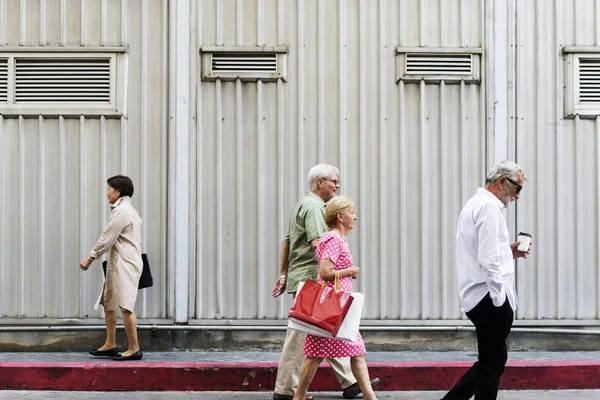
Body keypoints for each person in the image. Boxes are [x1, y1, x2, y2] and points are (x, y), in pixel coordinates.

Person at [272, 164, 378, 400]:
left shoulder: (301, 204)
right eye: (333, 181)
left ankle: (350, 383)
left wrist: (283, 275)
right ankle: (286, 391)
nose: (337, 185)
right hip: (315, 282)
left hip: (307, 279)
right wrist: (343, 266)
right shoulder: (314, 208)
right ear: (320, 182)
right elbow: (320, 244)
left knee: (327, 336)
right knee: (302, 338)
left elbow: (286, 242)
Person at [441, 161, 531, 400]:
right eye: (518, 189)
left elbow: (485, 251)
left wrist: (507, 251)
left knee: (493, 361)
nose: (517, 196)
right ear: (503, 182)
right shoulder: (489, 208)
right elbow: (489, 259)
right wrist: (499, 298)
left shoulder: (476, 204)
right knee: (492, 364)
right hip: (488, 298)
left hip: (480, 296)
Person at [293, 196, 378, 400]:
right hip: (333, 308)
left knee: (355, 352)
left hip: (337, 308)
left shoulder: (336, 238)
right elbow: (324, 272)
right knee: (316, 356)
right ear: (340, 216)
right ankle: (298, 397)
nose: (355, 217)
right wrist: (349, 271)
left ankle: (370, 397)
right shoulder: (333, 239)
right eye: (351, 213)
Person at [79, 175, 144, 361]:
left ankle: (134, 349)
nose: (107, 192)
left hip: (126, 264)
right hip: (118, 263)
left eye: (109, 188)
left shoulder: (122, 211)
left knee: (126, 305)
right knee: (109, 302)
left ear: (119, 191)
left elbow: (107, 238)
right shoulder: (126, 210)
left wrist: (90, 258)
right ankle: (110, 344)